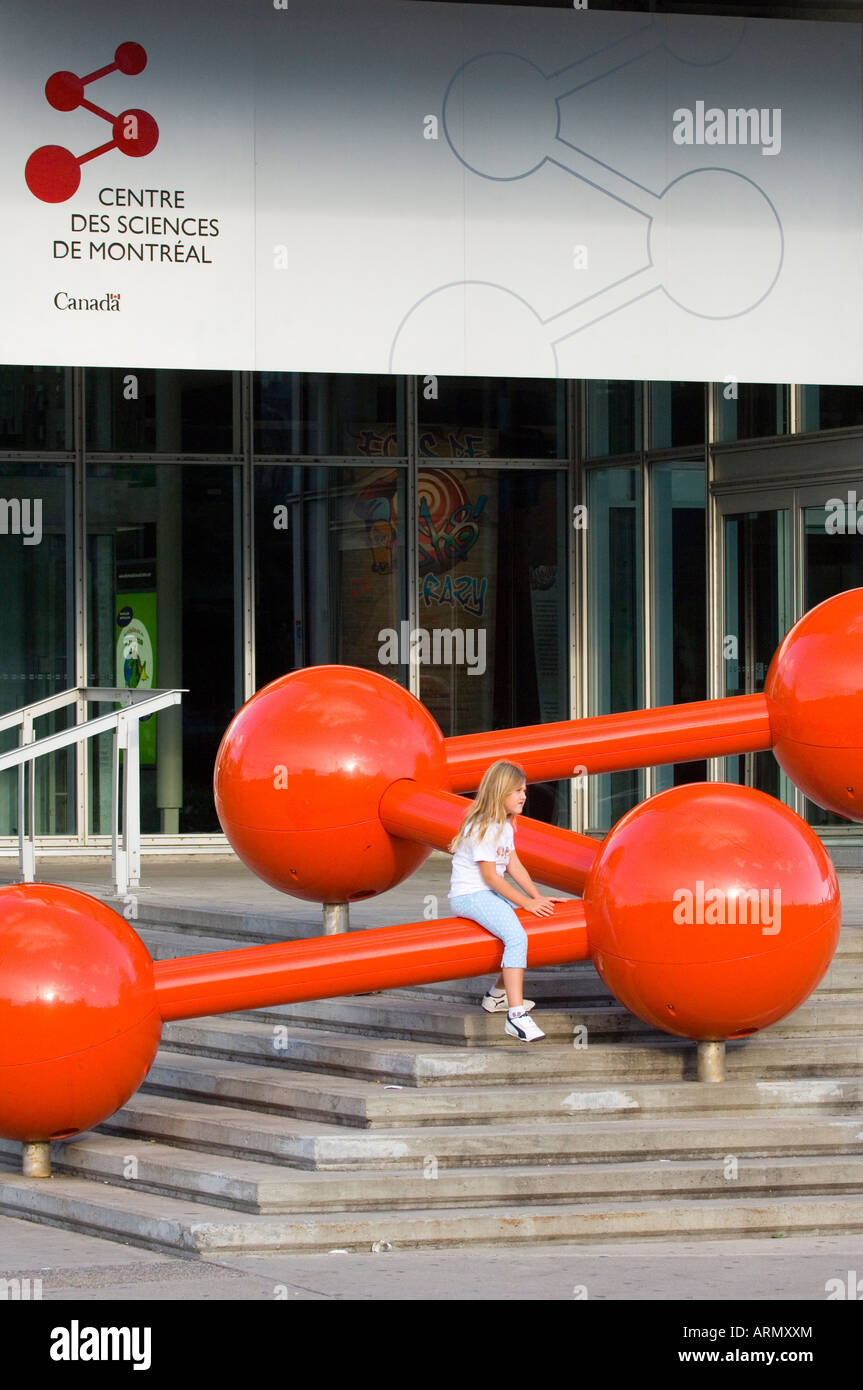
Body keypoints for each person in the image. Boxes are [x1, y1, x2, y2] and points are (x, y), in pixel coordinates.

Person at [448, 759, 561, 1041]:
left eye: (525, 790)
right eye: (518, 791)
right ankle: (516, 1016)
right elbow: (490, 876)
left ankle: (497, 995)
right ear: (500, 792)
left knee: (526, 931)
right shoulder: (485, 826)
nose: (524, 796)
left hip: (488, 893)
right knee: (516, 937)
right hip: (471, 896)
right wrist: (525, 902)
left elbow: (514, 865)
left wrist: (537, 897)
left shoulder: (505, 825)